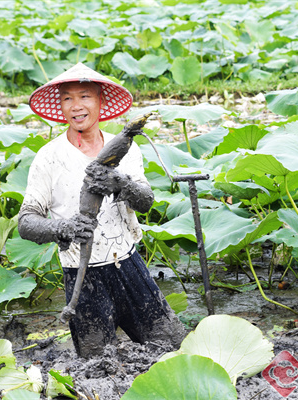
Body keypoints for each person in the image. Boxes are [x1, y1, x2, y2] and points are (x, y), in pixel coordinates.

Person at [18, 63, 185, 357]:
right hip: (82, 280)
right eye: (67, 98)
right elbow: (26, 222)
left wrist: (120, 182)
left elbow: (145, 202)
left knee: (172, 348)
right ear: (60, 105)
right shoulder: (49, 157)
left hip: (129, 266)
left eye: (85, 96)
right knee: (95, 367)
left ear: (100, 102)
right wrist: (62, 228)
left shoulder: (126, 148)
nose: (76, 106)